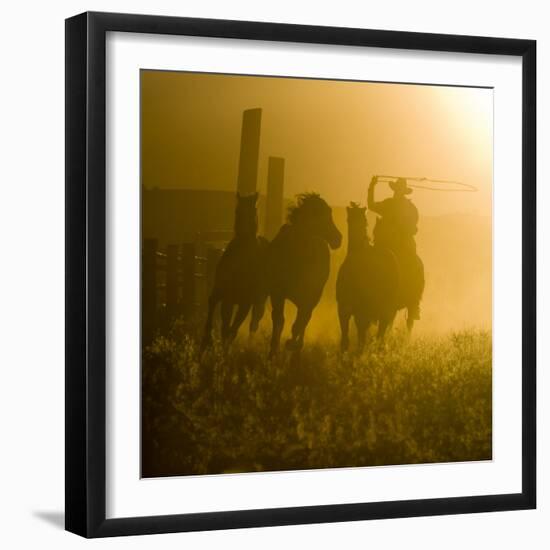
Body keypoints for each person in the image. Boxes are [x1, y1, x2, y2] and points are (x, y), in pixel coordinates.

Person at [367, 176, 423, 321]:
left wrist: (403, 229)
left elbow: (414, 227)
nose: (397, 192)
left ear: (403, 191)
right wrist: (371, 187)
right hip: (385, 243)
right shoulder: (389, 204)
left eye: (399, 190)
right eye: (396, 189)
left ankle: (413, 302)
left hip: (402, 244)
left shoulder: (409, 208)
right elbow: (371, 205)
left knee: (413, 265)